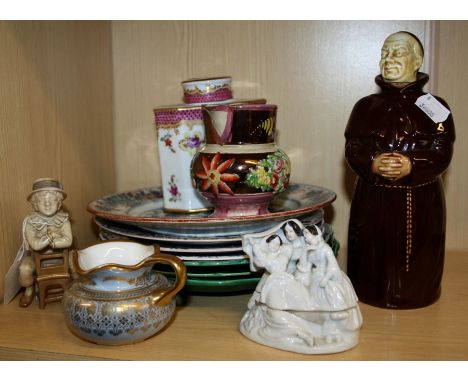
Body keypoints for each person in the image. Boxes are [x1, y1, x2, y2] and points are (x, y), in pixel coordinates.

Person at [345, 31, 455, 308]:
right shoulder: (365, 107)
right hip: (373, 197)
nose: (389, 59)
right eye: (385, 53)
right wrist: (371, 162)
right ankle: (369, 290)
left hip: (418, 200)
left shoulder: (436, 108)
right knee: (371, 249)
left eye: (398, 52)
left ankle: (415, 292)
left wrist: (412, 164)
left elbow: (442, 150)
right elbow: (353, 147)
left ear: (417, 60)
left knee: (416, 252)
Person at [18, 178, 73, 307]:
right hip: (37, 260)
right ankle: (28, 290)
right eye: (42, 201)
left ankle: (75, 289)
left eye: (52, 200)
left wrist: (49, 242)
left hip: (60, 259)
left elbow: (68, 241)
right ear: (35, 203)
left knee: (77, 260)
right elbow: (35, 245)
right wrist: (51, 237)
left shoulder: (63, 220)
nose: (47, 204)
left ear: (59, 203)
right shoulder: (30, 222)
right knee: (24, 268)